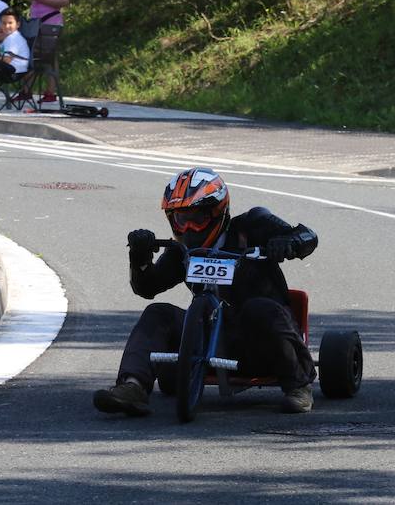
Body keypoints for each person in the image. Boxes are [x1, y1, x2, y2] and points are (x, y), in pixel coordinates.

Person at [93, 167, 319, 416]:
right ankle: (132, 387)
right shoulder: (183, 251)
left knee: (259, 308)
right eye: (181, 219)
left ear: (217, 212)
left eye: (197, 218)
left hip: (259, 342)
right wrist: (139, 255)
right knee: (158, 313)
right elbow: (147, 288)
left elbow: (308, 235)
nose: (189, 228)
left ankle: (299, 386)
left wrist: (289, 243)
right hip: (206, 338)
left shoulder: (251, 226)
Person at [21, 0, 71, 104]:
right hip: (36, 19)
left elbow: (64, 1)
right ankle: (26, 90)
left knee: (47, 56)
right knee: (28, 52)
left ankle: (50, 90)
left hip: (51, 21)